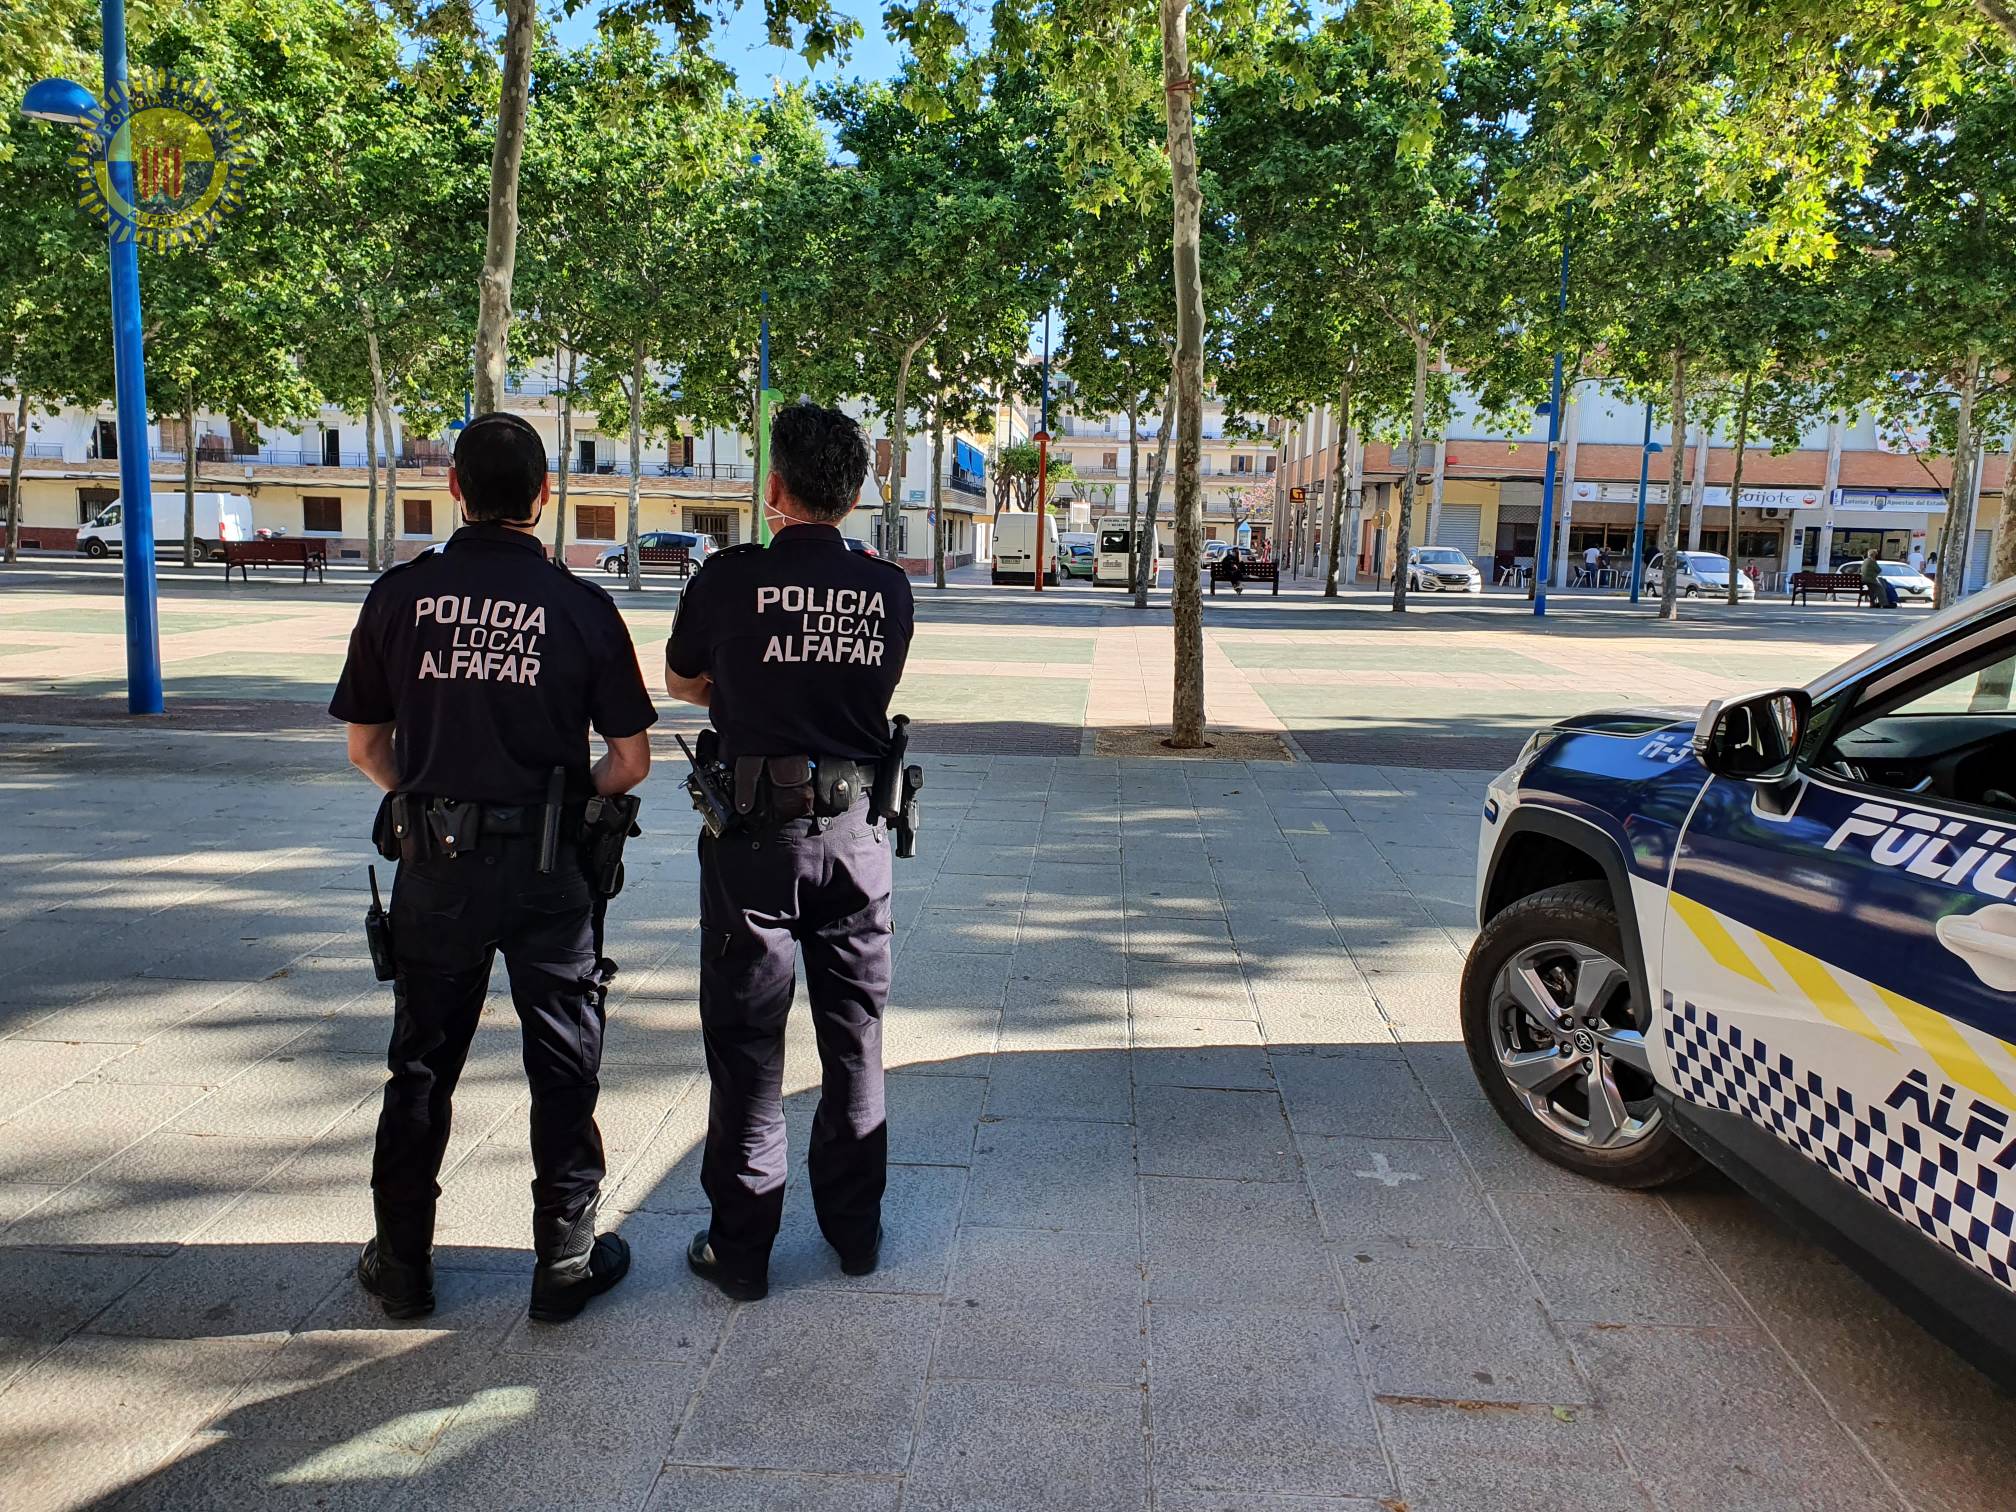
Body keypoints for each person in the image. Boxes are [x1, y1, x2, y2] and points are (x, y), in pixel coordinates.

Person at [330, 411, 656, 1323]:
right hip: (552, 869)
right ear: (546, 499)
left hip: (435, 864)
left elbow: (365, 746)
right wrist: (563, 799)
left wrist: (431, 800)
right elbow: (631, 762)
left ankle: (402, 1264)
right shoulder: (582, 608)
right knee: (563, 1063)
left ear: (455, 493)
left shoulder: (398, 598)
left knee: (423, 1064)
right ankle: (564, 1259)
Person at [665, 400, 916, 1301]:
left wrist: (744, 691)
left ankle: (742, 1255)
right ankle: (854, 1237)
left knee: (746, 1051)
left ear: (774, 489)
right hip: (855, 839)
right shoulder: (888, 588)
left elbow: (682, 678)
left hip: (753, 844)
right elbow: (871, 684)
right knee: (854, 1043)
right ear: (852, 496)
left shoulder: (729, 579)